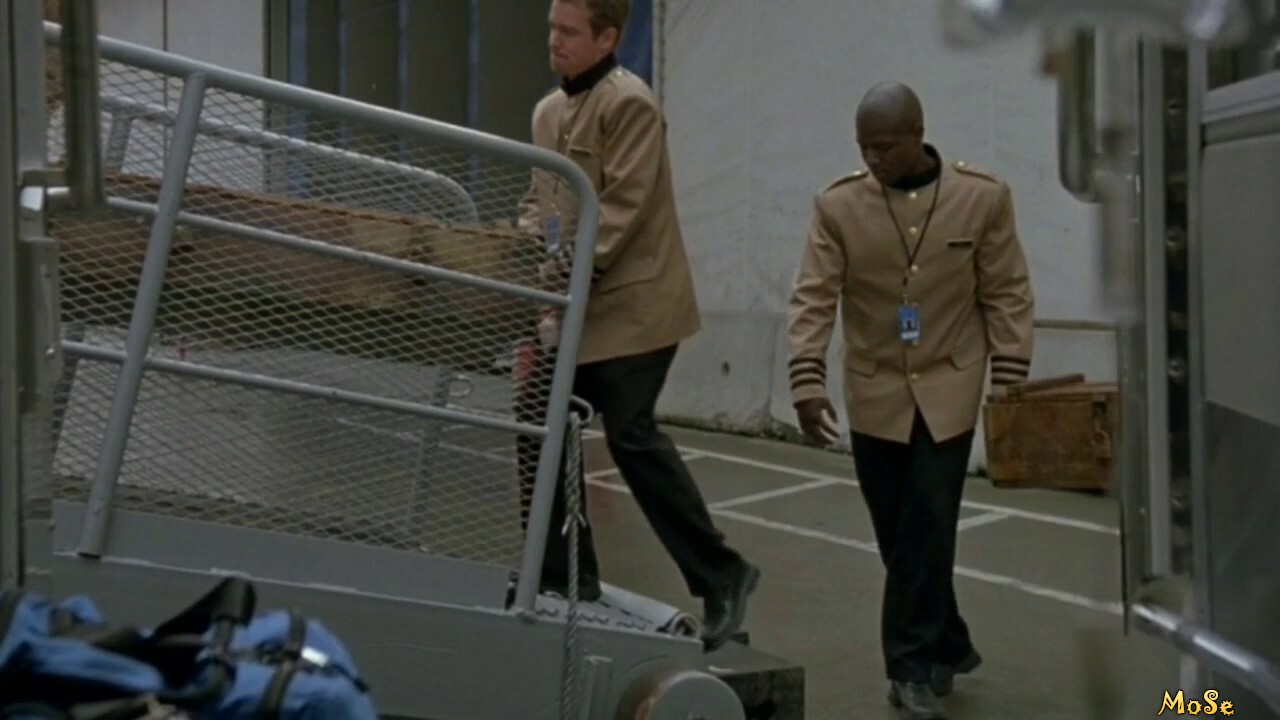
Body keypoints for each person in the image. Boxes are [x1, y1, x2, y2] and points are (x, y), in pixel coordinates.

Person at [512, 0, 760, 653]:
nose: (555, 41)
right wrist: (523, 253)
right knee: (537, 420)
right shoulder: (548, 112)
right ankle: (564, 573)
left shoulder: (631, 104)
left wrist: (562, 276)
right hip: (574, 303)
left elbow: (620, 211)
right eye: (552, 28)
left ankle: (723, 576)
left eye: (570, 32)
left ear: (608, 38)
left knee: (630, 432)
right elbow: (540, 202)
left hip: (636, 306)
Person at [786, 82, 1035, 719]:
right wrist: (806, 378)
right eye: (864, 148)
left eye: (886, 147)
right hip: (874, 389)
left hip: (951, 382)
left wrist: (1008, 381)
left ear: (919, 134)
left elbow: (1006, 290)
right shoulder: (838, 206)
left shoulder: (982, 198)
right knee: (899, 534)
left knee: (928, 520)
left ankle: (909, 668)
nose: (873, 159)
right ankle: (948, 641)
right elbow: (814, 295)